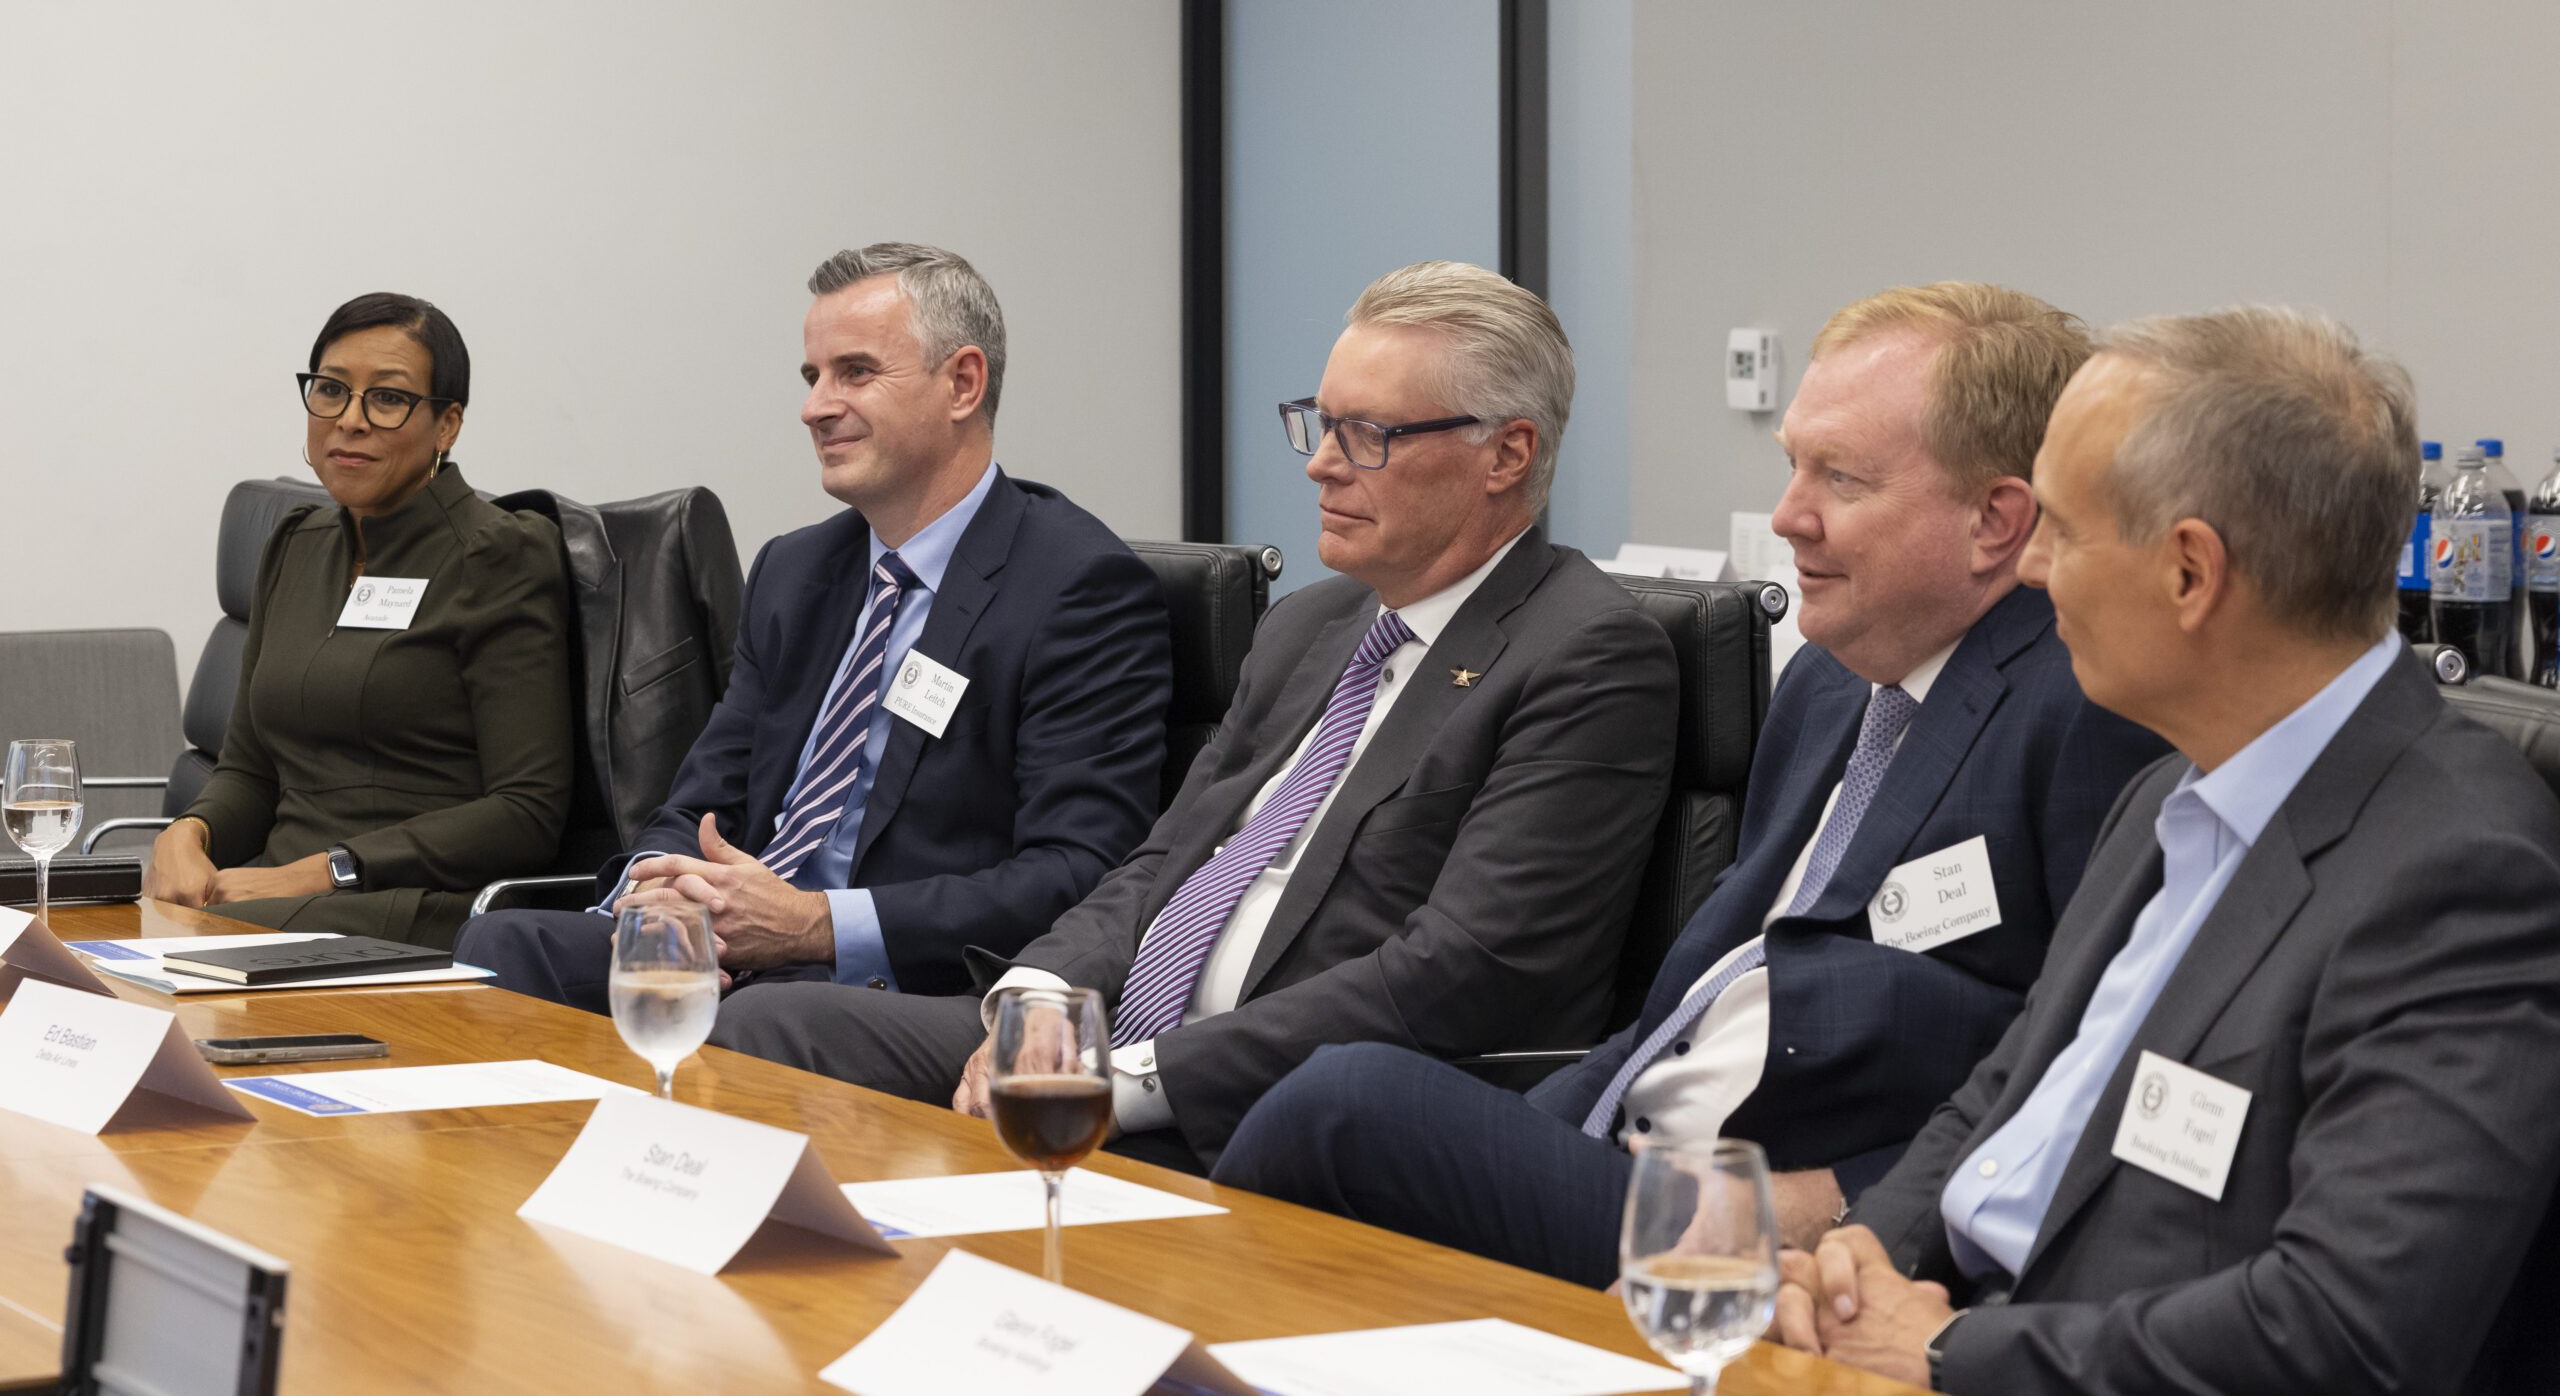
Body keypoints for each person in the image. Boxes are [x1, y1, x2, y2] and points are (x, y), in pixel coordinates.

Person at [1215, 282, 2168, 1278]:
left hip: (1784, 1221)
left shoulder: (2083, 707)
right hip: (1633, 1140)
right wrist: (1541, 1129)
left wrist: (1843, 1200)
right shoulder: (1828, 682)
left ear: (1994, 520)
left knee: (1351, 1105)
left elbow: (2093, 1066)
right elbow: (1696, 992)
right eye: (1792, 466)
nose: (1788, 516)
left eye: (1839, 478)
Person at [708, 260, 1679, 1172]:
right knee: (772, 1027)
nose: (1321, 467)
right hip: (1113, 1033)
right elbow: (1159, 865)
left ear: (1504, 453)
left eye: (1368, 435)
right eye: (1318, 423)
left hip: (1273, 1092)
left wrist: (1126, 1078)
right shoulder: (1312, 623)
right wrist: (1036, 1006)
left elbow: (1461, 968)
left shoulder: (1585, 653)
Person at [1775, 307, 2560, 1396]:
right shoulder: (2164, 791)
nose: (2034, 566)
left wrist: (1947, 1352)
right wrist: (1868, 1249)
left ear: (2190, 573)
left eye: (2059, 526)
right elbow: (2005, 1095)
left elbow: (2344, 1328)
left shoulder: (2460, 870)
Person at [456, 243, 1171, 1006]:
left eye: (854, 372)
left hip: (893, 978)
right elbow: (703, 800)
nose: (815, 406)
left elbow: (1076, 870)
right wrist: (658, 894)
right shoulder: (796, 571)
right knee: (502, 944)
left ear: (963, 383)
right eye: (812, 377)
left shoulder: (1076, 586)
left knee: (769, 1012)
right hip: (738, 954)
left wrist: (816, 924)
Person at [143, 292, 575, 948]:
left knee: (139, 964)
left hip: (410, 905)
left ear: (447, 425)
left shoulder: (499, 553)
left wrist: (329, 870)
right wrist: (188, 833)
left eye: (388, 398)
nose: (350, 420)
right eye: (331, 390)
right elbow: (251, 769)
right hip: (263, 895)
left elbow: (527, 811)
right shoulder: (296, 543)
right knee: (71, 939)